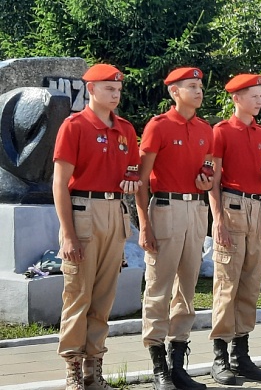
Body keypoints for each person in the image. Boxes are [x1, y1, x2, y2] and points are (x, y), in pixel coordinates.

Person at [54, 64, 141, 390]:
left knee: (104, 298)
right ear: (91, 90)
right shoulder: (74, 126)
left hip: (114, 212)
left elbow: (132, 170)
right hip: (83, 210)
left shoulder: (126, 130)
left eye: (118, 89)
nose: (115, 93)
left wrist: (132, 181)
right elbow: (60, 184)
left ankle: (94, 368)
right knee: (78, 295)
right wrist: (68, 233)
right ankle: (73, 368)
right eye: (108, 88)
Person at [136, 67, 213, 390]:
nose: (198, 91)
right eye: (191, 86)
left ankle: (177, 363)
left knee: (187, 289)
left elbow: (208, 169)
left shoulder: (205, 129)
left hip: (196, 208)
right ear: (174, 92)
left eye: (199, 86)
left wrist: (206, 180)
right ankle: (158, 368)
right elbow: (140, 180)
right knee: (159, 288)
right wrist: (143, 223)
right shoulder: (158, 126)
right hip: (165, 208)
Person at [206, 74, 261, 384]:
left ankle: (241, 352)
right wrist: (218, 220)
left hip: (257, 208)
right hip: (232, 209)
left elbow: (260, 180)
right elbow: (214, 183)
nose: (259, 101)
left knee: (250, 284)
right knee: (227, 284)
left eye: (260, 95)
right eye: (253, 95)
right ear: (236, 98)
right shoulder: (221, 132)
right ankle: (219, 355)